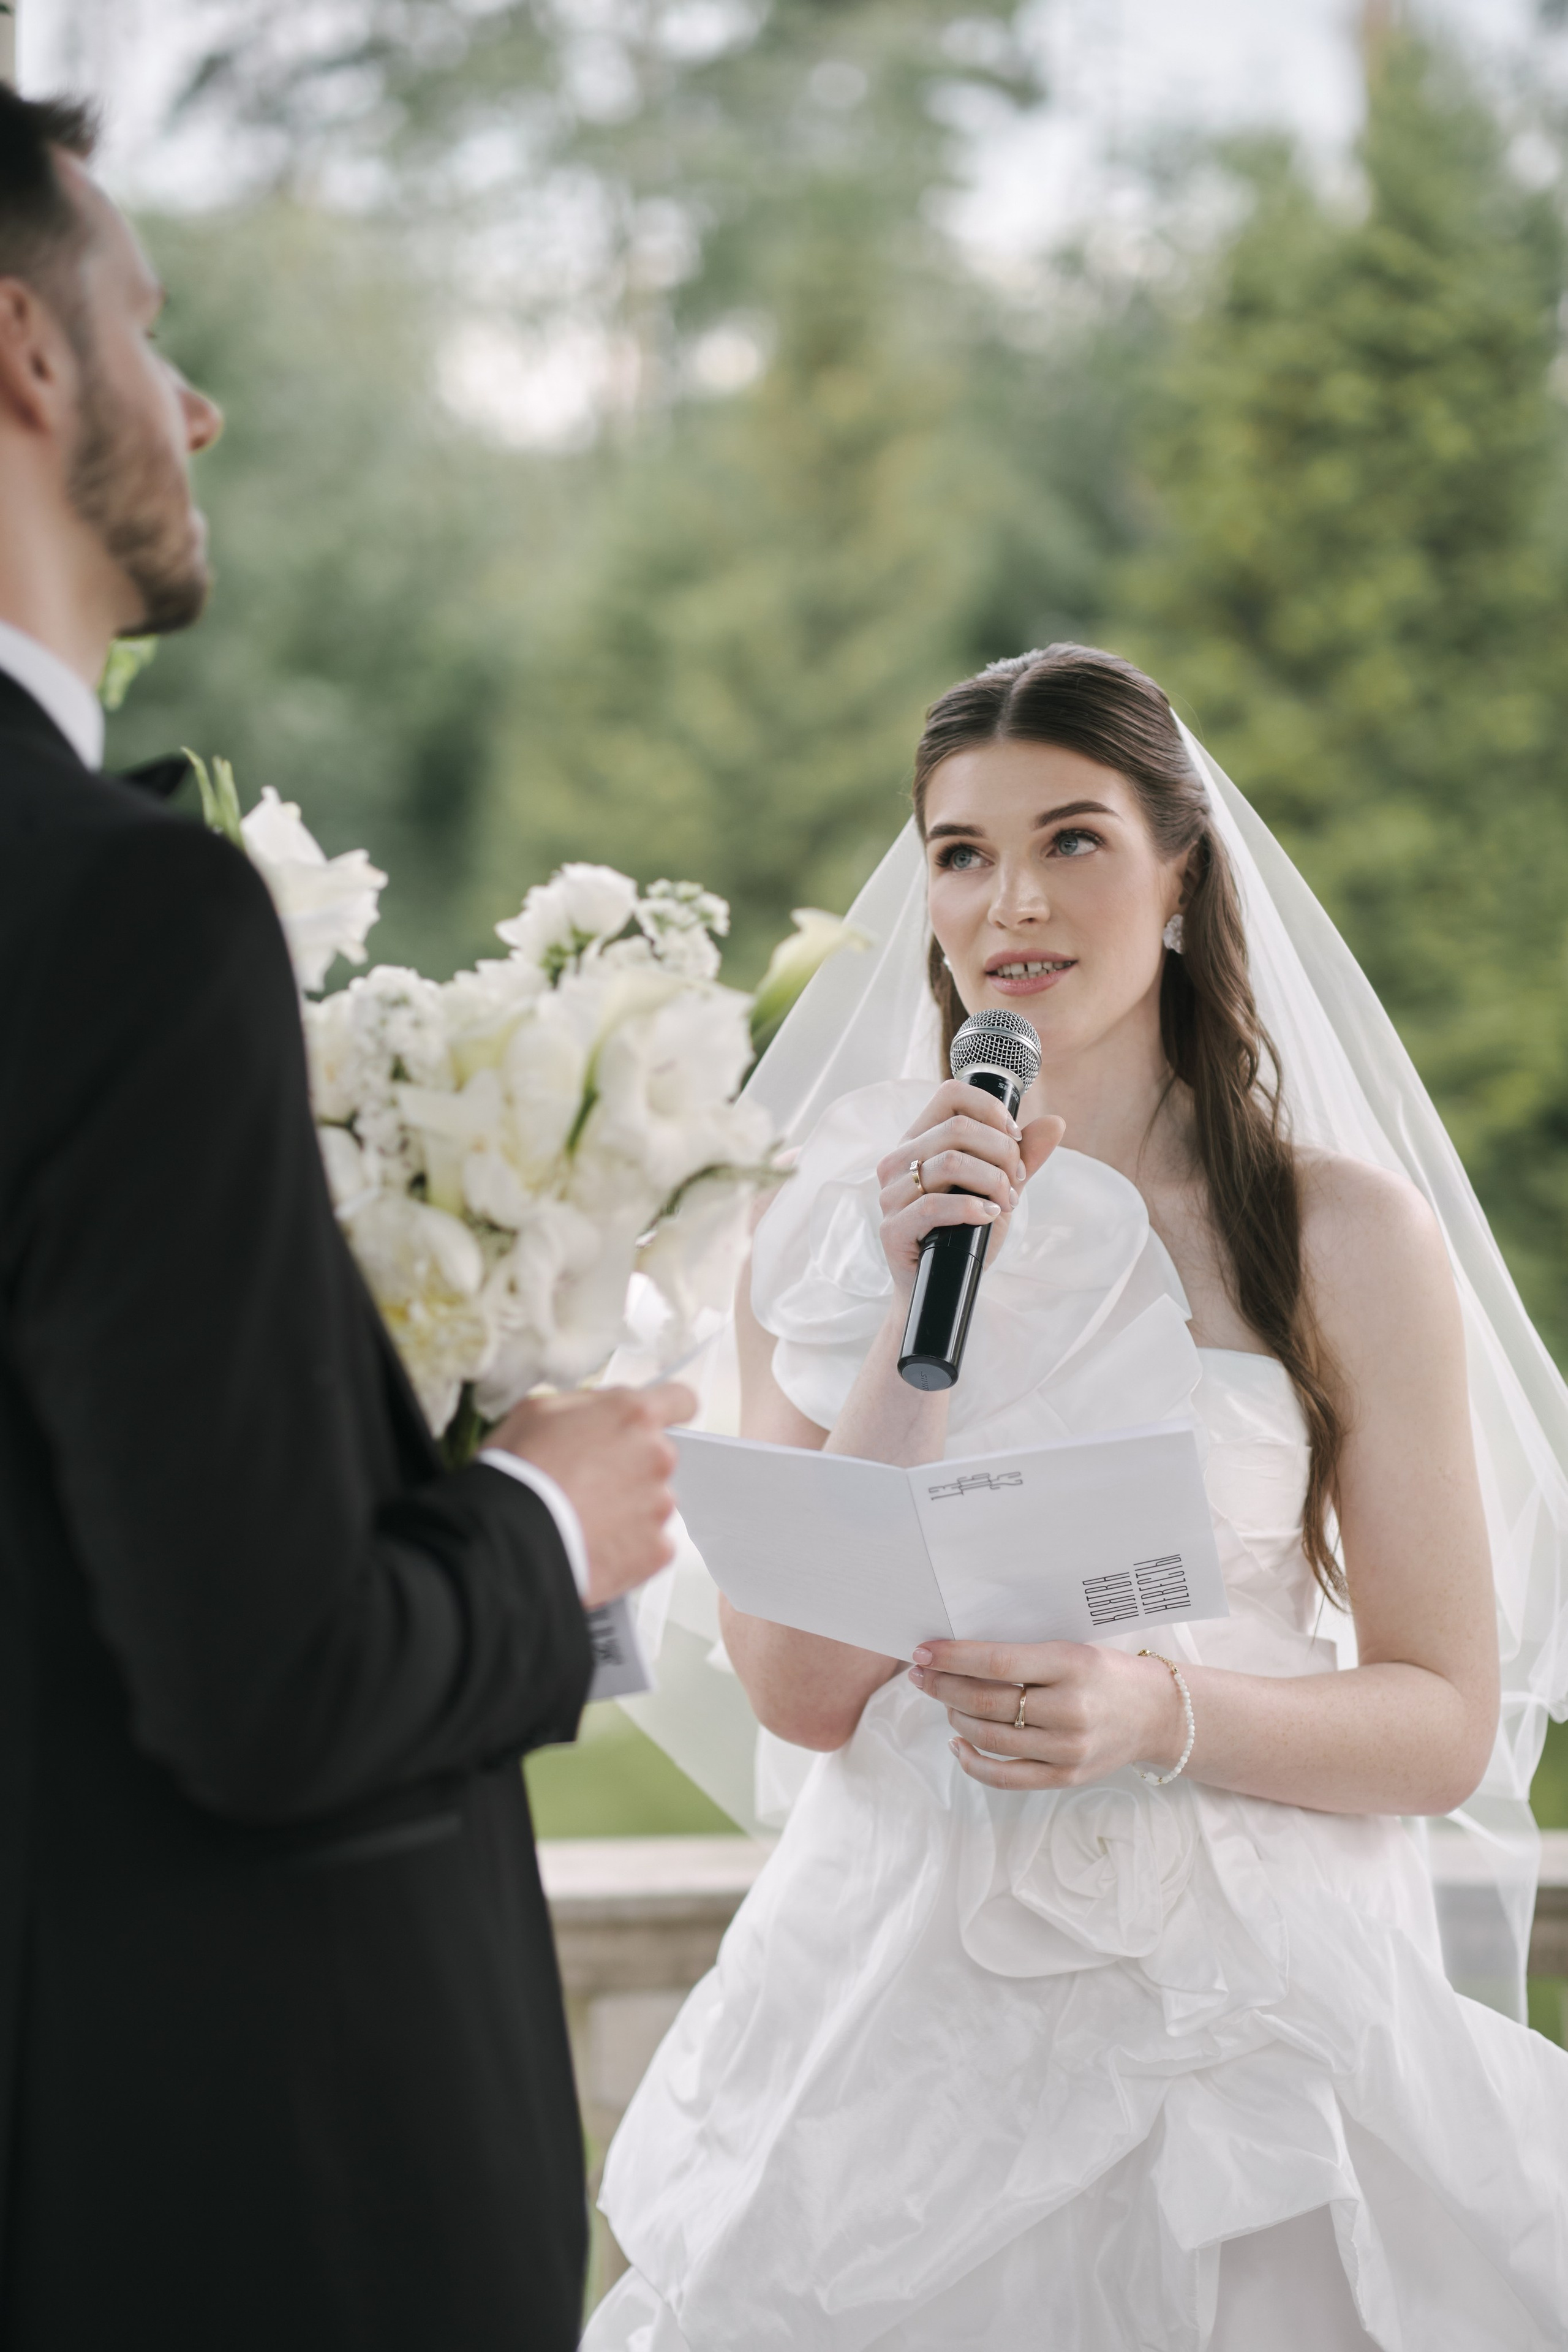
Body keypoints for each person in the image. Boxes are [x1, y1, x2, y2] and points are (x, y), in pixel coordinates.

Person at [584, 644, 1568, 2350]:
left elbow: (1444, 1718)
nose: (1010, 900)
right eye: (960, 852)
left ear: (1180, 875)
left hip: (1248, 2009)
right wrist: (913, 1315)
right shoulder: (815, 1227)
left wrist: (1154, 1710)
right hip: (903, 2013)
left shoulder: (1341, 1236)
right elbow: (804, 1690)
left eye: (1074, 840)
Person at [0, 88, 692, 2352]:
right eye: (144, 328)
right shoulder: (116, 921)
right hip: (208, 2191)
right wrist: (537, 1517)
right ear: (25, 350)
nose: (188, 406)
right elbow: (272, 1689)